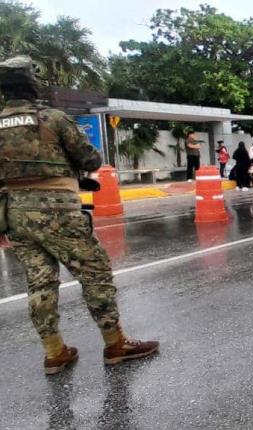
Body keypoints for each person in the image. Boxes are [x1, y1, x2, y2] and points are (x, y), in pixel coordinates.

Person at [0, 56, 158, 375]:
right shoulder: (52, 118)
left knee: (40, 282)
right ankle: (115, 345)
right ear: (32, 83)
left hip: (14, 212)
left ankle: (55, 352)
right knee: (94, 273)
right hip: (57, 209)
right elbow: (90, 158)